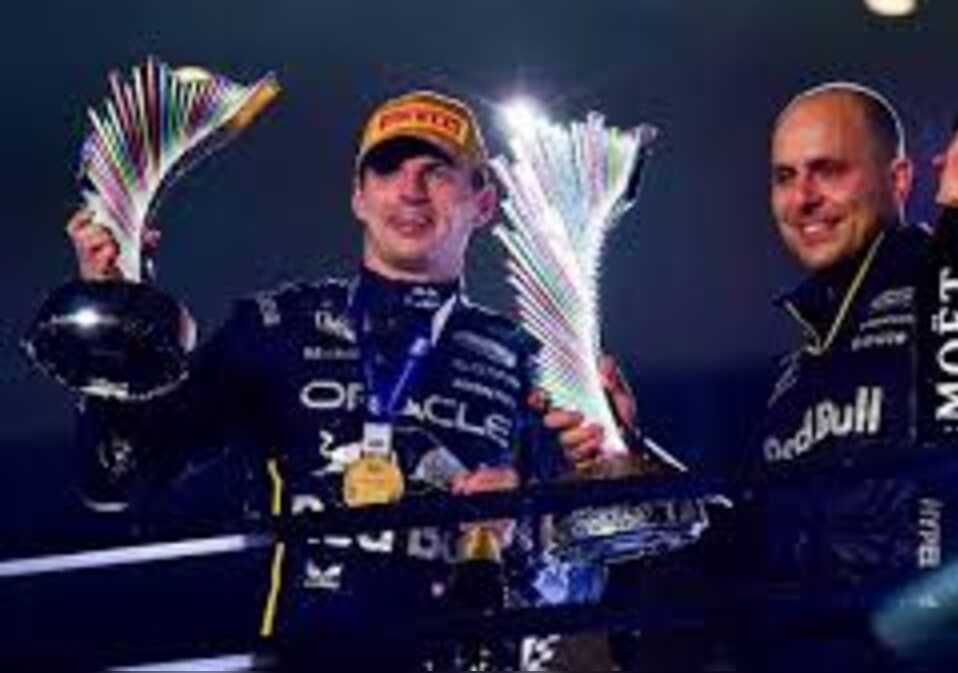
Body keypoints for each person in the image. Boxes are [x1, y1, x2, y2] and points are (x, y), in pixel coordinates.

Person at [559, 81, 958, 671]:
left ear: (899, 179)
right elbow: (748, 543)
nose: (803, 197)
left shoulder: (955, 289)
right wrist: (631, 449)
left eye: (828, 170)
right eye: (785, 177)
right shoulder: (796, 372)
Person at [67, 90, 584, 670]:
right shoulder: (273, 328)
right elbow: (118, 478)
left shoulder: (525, 359)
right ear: (359, 196)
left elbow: (581, 571)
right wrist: (117, 329)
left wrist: (523, 519)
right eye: (387, 169)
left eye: (436, 171)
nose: (411, 190)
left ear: (482, 202)